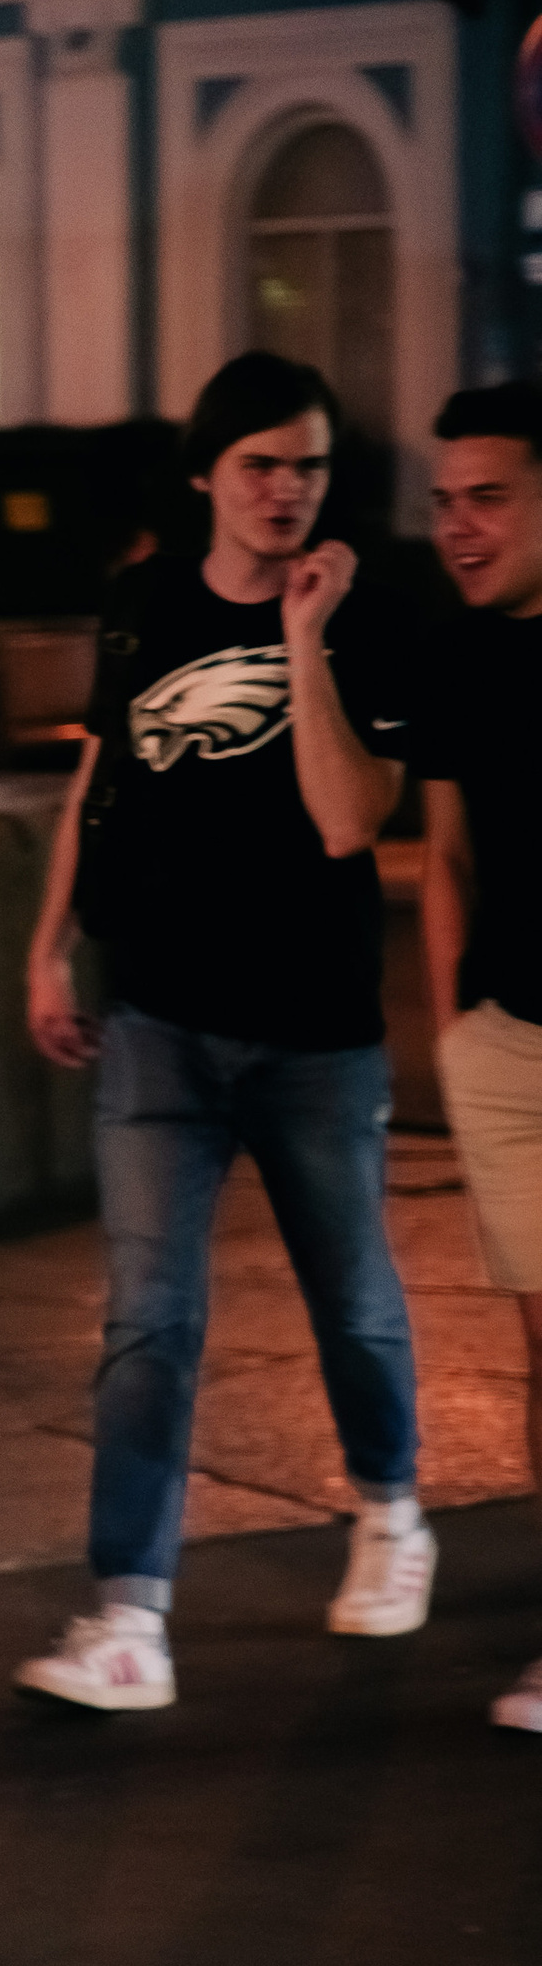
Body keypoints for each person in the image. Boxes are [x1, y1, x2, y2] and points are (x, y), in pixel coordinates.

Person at [15, 350, 427, 1712]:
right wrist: (49, 945)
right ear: (208, 474)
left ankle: (388, 1510)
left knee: (353, 1304)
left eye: (309, 465)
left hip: (313, 1033)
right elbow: (101, 777)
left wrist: (307, 640)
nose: (287, 491)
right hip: (160, 1026)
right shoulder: (140, 603)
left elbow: (346, 817)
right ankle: (130, 1616)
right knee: (149, 1320)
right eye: (261, 464)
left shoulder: (371, 608)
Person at [418, 380, 542, 1733]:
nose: (460, 525)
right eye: (444, 503)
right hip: (509, 1043)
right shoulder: (457, 655)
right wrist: (456, 1028)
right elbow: (444, 853)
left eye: (490, 497)